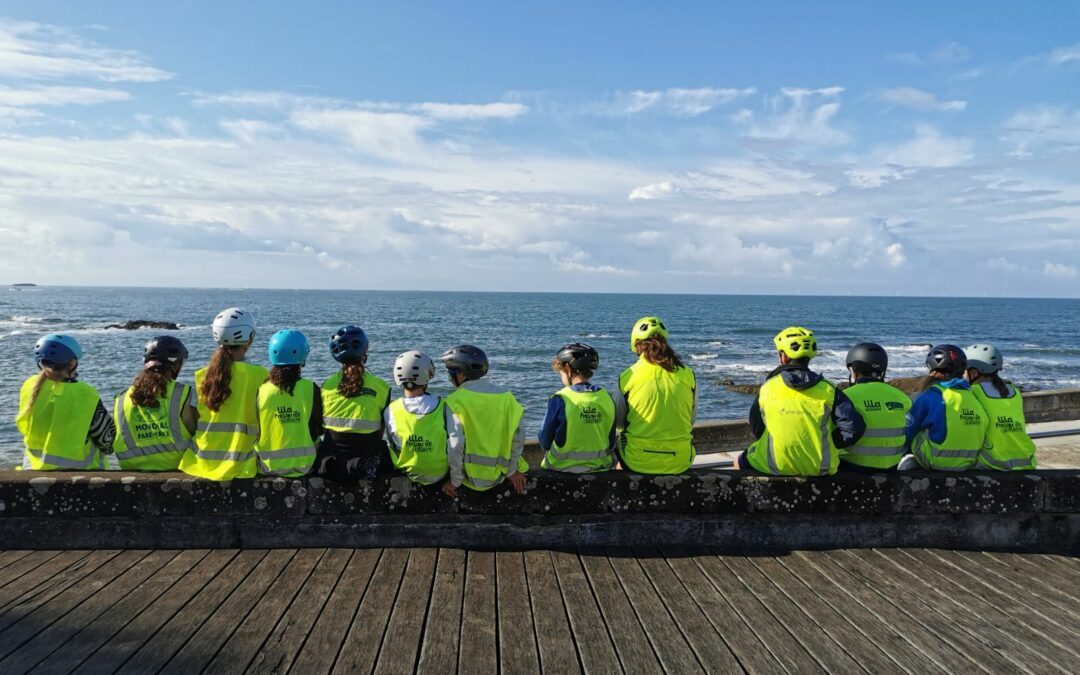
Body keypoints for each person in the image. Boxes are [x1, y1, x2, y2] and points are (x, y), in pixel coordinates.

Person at [738, 327, 865, 475]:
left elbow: (757, 429)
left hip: (774, 465)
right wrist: (827, 443)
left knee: (739, 460)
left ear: (783, 357)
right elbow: (853, 428)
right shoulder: (828, 389)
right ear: (809, 357)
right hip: (819, 468)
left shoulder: (768, 388)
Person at [179, 308, 267, 480]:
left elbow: (193, 420)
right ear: (250, 338)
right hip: (242, 463)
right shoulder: (260, 375)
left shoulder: (201, 376)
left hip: (202, 462)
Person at [16, 334, 115, 470]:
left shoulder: (28, 385)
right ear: (73, 363)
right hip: (81, 473)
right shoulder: (84, 392)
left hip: (32, 468)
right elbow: (106, 438)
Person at [613, 317, 697, 474]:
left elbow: (618, 421)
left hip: (638, 459)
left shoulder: (628, 376)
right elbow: (691, 418)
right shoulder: (688, 375)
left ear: (637, 345)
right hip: (680, 459)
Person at [440, 344, 527, 495]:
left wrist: (455, 481)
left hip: (470, 477)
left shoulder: (454, 401)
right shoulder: (507, 398)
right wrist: (512, 471)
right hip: (501, 474)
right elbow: (518, 437)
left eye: (450, 372)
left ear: (460, 373)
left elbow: (456, 444)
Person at [315, 325, 391, 481]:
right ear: (365, 350)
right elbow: (381, 432)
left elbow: (320, 429)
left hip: (332, 464)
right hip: (368, 463)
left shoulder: (326, 386)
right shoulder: (382, 387)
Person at [113, 336, 197, 471]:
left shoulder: (121, 399)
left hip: (132, 472)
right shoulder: (183, 393)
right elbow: (199, 432)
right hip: (177, 470)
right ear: (175, 365)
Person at [899, 344, 989, 471]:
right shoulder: (973, 395)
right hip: (968, 462)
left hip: (937, 461)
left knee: (914, 426)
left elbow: (908, 432)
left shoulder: (931, 395)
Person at [538, 343, 616, 473]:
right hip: (601, 468)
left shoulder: (560, 398)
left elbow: (544, 442)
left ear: (568, 369)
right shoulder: (606, 397)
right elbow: (612, 443)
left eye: (561, 372)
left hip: (561, 468)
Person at [254, 329, 322, 477]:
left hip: (267, 467)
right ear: (302, 356)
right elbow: (319, 428)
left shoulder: (261, 390)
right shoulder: (311, 389)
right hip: (306, 466)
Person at [838, 343, 910, 472]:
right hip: (892, 466)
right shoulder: (902, 397)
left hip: (853, 465)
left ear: (854, 370)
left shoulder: (846, 397)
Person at [964, 343, 1037, 471]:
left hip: (993, 464)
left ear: (974, 372)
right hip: (1026, 460)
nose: (963, 375)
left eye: (964, 371)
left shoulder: (972, 392)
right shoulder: (1013, 391)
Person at [383, 351, 450, 485]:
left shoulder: (391, 410)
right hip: (440, 473)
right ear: (428, 376)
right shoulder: (444, 406)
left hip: (409, 473)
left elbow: (395, 444)